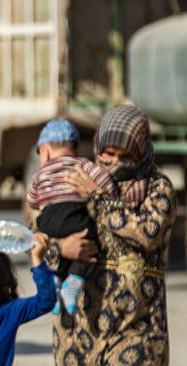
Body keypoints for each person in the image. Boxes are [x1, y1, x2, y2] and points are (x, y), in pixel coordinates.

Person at [53, 105, 175, 366]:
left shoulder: (158, 189)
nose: (112, 164)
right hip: (78, 332)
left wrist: (100, 197)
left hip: (138, 332)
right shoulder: (73, 181)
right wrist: (59, 251)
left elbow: (146, 232)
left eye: (124, 157)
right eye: (106, 154)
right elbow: (44, 234)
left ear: (141, 153)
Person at [24, 119, 118, 314]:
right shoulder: (82, 164)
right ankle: (74, 281)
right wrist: (104, 191)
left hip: (48, 218)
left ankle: (56, 283)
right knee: (90, 238)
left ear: (45, 151)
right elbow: (106, 184)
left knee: (48, 240)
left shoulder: (39, 173)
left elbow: (31, 200)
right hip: (74, 214)